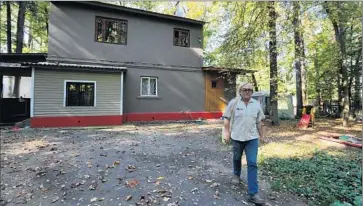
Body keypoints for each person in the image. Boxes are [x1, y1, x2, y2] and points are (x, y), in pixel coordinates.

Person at [222, 82, 266, 204]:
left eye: (250, 90)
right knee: (236, 157)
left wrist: (262, 135)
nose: (247, 92)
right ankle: (236, 174)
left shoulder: (256, 104)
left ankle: (253, 193)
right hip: (237, 137)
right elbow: (226, 118)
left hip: (252, 138)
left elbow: (260, 121)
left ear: (252, 92)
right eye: (245, 89)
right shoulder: (234, 103)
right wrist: (226, 133)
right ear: (240, 91)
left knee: (252, 163)